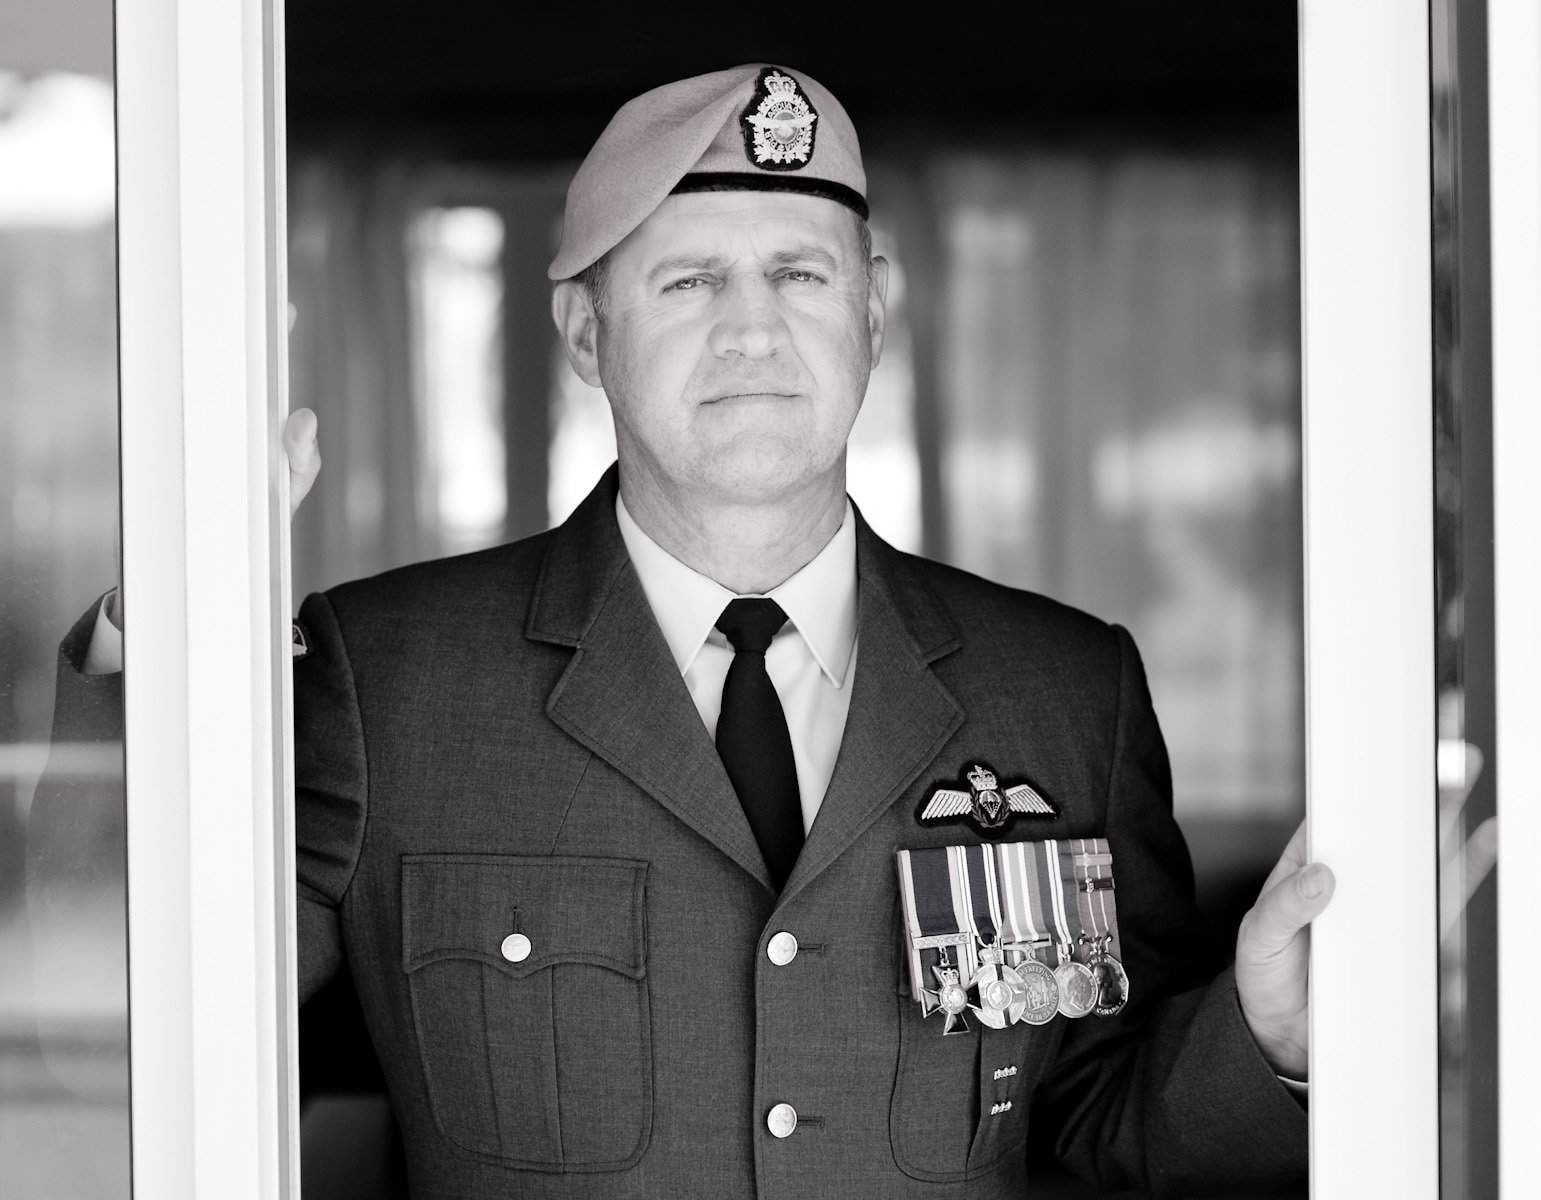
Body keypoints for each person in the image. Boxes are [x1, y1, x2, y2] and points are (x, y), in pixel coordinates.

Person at [68, 64, 1331, 1198]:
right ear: (582, 333)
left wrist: (1268, 1036)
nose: (751, 327)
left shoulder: (1065, 688)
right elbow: (116, 1006)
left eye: (797, 272)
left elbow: (1104, 1125)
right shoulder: (385, 676)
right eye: (687, 279)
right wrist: (169, 630)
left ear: (872, 311)